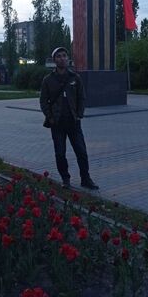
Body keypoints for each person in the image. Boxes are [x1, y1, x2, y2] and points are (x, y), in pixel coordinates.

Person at [40, 47, 99, 190]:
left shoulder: (75, 77)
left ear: (67, 58)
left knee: (81, 152)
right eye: (59, 56)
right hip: (57, 123)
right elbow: (43, 101)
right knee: (60, 153)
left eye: (64, 56)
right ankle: (65, 179)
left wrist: (79, 115)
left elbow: (82, 97)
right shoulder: (48, 80)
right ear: (54, 60)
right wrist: (50, 117)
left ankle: (85, 179)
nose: (62, 58)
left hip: (73, 121)